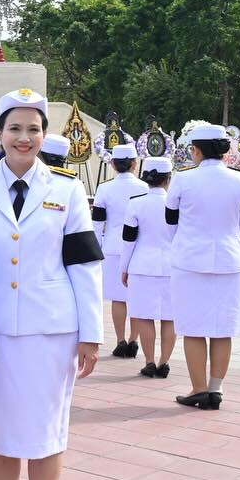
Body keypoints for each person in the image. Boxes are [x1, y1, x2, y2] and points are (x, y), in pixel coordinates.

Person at [0, 88, 103, 480]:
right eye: (14, 128)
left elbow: (85, 264)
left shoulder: (66, 189)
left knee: (46, 433)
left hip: (51, 332)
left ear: (45, 134)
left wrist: (92, 333)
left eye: (33, 128)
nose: (23, 138)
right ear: (0, 134)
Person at [167, 122, 240, 410]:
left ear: (197, 150)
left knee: (193, 328)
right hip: (229, 259)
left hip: (190, 261)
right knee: (222, 328)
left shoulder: (182, 179)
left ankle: (198, 388)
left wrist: (184, 242)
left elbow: (170, 221)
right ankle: (215, 389)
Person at [120, 156, 176, 378]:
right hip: (172, 267)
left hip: (142, 265)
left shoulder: (136, 203)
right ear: (168, 179)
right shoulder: (176, 203)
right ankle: (164, 362)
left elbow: (128, 240)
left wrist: (123, 268)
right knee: (169, 317)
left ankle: (150, 361)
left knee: (144, 316)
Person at [91, 143, 146, 358]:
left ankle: (120, 340)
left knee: (118, 298)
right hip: (139, 246)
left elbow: (97, 223)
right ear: (134, 164)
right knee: (137, 297)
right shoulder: (144, 187)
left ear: (113, 164)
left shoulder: (104, 188)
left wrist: (95, 249)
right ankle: (134, 341)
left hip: (112, 247)